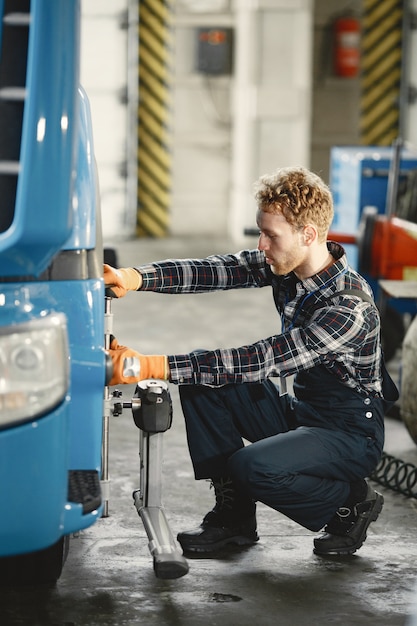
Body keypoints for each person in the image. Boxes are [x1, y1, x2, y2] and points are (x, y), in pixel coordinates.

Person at [104, 166, 398, 557]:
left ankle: (350, 501)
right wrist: (135, 276)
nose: (261, 244)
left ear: (308, 235)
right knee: (200, 374)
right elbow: (215, 270)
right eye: (261, 232)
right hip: (306, 413)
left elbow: (265, 359)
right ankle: (234, 519)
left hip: (349, 433)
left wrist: (150, 366)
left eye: (270, 235)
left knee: (251, 465)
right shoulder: (289, 266)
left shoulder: (348, 307)